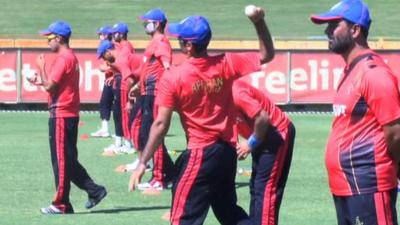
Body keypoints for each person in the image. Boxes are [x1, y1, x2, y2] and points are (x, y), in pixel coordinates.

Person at [129, 5, 275, 225]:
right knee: (228, 212)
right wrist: (258, 22)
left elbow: (160, 125)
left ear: (188, 45)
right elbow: (267, 55)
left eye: (180, 39)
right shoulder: (226, 63)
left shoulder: (173, 77)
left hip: (200, 153)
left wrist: (142, 162)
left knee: (182, 218)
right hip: (226, 152)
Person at [311, 0, 400, 224]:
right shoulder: (350, 71)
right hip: (346, 187)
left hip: (368, 186)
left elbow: (395, 133)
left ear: (355, 30)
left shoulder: (374, 74)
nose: (327, 31)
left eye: (334, 25)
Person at [28, 21, 107, 214]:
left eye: (49, 37)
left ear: (59, 38)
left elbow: (50, 86)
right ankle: (94, 191)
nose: (47, 41)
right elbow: (55, 85)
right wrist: (40, 80)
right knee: (68, 160)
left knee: (62, 161)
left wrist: (41, 68)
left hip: (62, 115)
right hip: (67, 114)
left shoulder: (63, 58)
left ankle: (61, 204)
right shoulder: (69, 57)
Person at [120, 8, 175, 190]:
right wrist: (137, 87)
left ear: (157, 24)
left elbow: (166, 66)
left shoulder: (161, 42)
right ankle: (169, 173)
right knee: (147, 134)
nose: (145, 24)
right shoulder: (154, 42)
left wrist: (167, 86)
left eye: (147, 21)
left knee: (154, 134)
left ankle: (159, 178)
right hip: (147, 92)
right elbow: (148, 69)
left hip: (156, 93)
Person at [234, 80, 295, 225]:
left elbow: (263, 118)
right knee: (256, 188)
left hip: (277, 134)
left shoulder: (236, 93)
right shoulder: (218, 91)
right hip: (260, 135)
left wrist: (249, 144)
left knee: (265, 190)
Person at [96, 40, 142, 153]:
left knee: (125, 115)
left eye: (103, 56)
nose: (104, 60)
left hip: (125, 86)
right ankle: (124, 143)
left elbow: (129, 79)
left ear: (108, 52)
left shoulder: (121, 58)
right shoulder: (122, 53)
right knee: (121, 115)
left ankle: (128, 144)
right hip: (128, 83)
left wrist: (130, 100)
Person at [103, 22, 135, 153]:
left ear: (121, 34)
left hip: (123, 83)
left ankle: (127, 143)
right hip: (118, 81)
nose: (112, 34)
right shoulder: (121, 47)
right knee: (117, 113)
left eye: (115, 32)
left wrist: (116, 73)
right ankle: (119, 141)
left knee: (124, 114)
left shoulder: (126, 48)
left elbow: (125, 67)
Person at [91, 25, 114, 138]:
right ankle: (105, 129)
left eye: (100, 34)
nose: (99, 36)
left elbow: (121, 65)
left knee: (112, 105)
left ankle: (123, 134)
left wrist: (113, 74)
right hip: (109, 79)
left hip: (115, 80)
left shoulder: (113, 47)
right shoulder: (105, 46)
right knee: (104, 103)